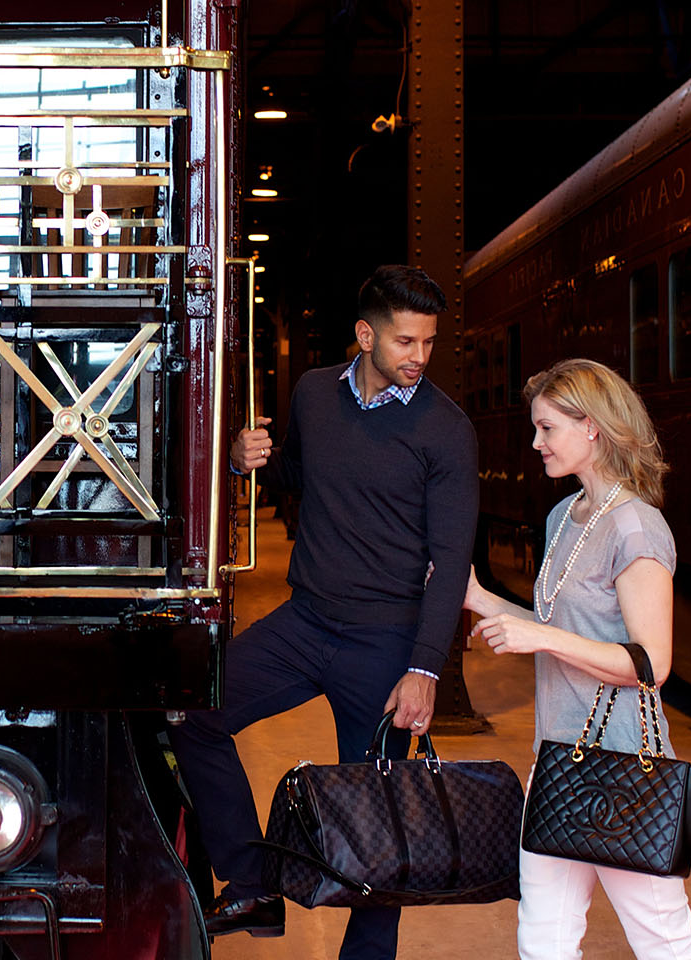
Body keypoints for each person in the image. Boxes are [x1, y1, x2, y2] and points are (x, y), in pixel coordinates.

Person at [177, 264, 478, 958]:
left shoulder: (445, 430)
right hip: (305, 622)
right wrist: (241, 457)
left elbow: (451, 561)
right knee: (195, 713)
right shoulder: (315, 394)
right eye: (406, 342)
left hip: (386, 642)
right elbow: (290, 476)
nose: (419, 358)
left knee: (377, 822)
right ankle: (251, 883)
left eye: (428, 343)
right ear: (364, 335)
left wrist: (425, 669)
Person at [462, 357, 691, 960]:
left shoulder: (636, 528)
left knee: (665, 942)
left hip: (623, 768)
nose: (535, 442)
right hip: (558, 763)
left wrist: (541, 639)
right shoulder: (564, 516)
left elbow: (652, 663)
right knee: (543, 938)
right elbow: (555, 627)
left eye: (547, 428)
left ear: (592, 427)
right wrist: (478, 599)